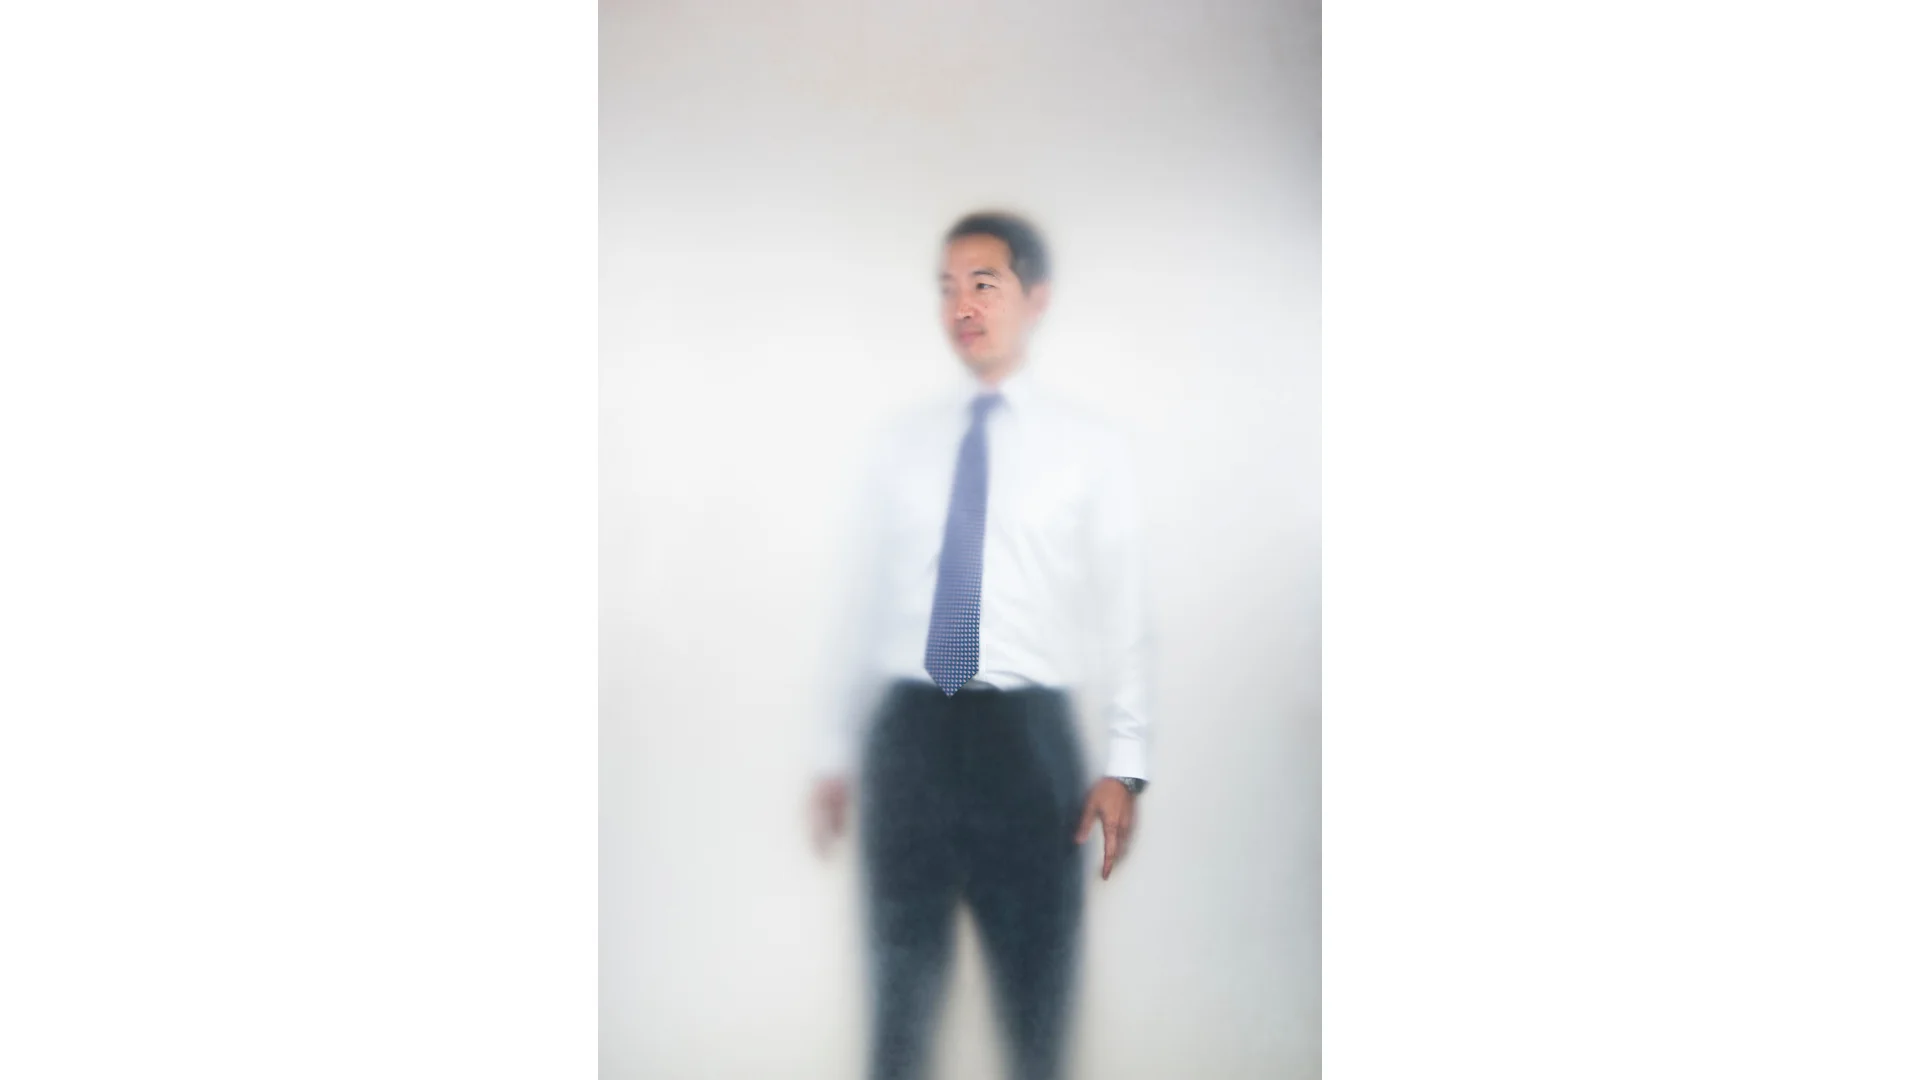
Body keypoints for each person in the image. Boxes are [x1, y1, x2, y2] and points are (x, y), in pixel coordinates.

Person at [809, 210, 1153, 1080]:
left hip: (1026, 743)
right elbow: (863, 601)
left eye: (984, 284)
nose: (961, 306)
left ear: (1036, 298)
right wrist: (834, 749)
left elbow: (1125, 610)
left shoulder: (1091, 449)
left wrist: (1125, 764)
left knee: (1036, 1008)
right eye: (947, 288)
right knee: (899, 1007)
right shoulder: (902, 445)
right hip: (907, 736)